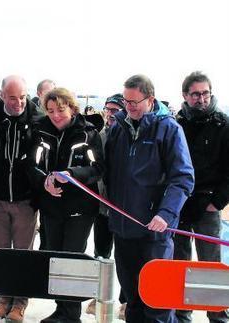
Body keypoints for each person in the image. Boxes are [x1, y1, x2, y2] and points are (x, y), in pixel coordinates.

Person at [105, 74, 194, 323]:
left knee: (157, 301)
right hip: (123, 229)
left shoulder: (168, 129)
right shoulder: (118, 129)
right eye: (126, 101)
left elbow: (183, 178)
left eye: (135, 102)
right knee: (132, 300)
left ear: (150, 99)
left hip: (154, 231)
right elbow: (106, 169)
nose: (129, 107)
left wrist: (166, 213)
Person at [29, 88, 104, 323]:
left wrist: (72, 174)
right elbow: (31, 164)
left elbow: (97, 169)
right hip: (51, 206)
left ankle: (72, 313)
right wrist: (45, 181)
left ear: (72, 108)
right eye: (50, 111)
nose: (56, 116)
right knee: (55, 256)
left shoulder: (87, 134)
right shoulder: (40, 131)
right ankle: (61, 308)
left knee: (72, 259)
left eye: (60, 110)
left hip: (80, 208)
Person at [0, 75, 44, 322]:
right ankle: (3, 299)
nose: (19, 102)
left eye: (22, 97)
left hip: (25, 200)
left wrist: (37, 194)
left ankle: (20, 302)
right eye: (12, 98)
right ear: (1, 95)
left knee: (23, 254)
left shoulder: (38, 120)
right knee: (0, 253)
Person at [174, 71, 229, 323]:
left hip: (208, 204)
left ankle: (217, 315)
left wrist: (216, 202)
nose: (201, 98)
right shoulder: (176, 124)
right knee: (179, 262)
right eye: (195, 94)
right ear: (185, 95)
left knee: (211, 265)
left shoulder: (223, 124)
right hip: (180, 203)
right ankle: (181, 313)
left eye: (205, 93)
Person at [86, 93, 127, 318]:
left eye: (115, 109)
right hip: (102, 205)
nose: (111, 114)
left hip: (123, 208)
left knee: (124, 256)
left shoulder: (127, 135)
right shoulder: (99, 135)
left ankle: (125, 300)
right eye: (108, 109)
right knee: (100, 253)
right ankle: (97, 296)